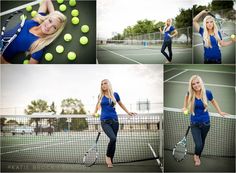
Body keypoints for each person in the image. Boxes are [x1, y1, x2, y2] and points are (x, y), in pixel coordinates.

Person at [0, 0, 67, 64]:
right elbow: (46, 1)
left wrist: (3, 62)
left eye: (54, 27)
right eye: (50, 21)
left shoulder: (39, 45)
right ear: (46, 18)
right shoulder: (36, 21)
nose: (49, 26)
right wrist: (54, 16)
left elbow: (30, 70)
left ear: (54, 32)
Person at [182, 75, 228, 166]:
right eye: (193, 84)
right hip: (194, 124)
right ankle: (196, 156)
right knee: (198, 144)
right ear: (191, 86)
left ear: (201, 82)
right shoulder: (189, 93)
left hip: (206, 124)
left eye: (197, 82)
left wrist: (220, 111)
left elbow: (213, 101)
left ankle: (198, 156)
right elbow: (185, 104)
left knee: (202, 142)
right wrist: (184, 109)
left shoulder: (208, 93)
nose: (196, 85)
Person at [93, 79, 136, 168]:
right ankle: (108, 156)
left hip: (115, 121)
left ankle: (111, 160)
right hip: (104, 121)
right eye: (102, 84)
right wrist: (94, 112)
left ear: (109, 84)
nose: (103, 85)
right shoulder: (100, 96)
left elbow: (121, 104)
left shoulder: (115, 94)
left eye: (105, 83)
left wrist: (128, 112)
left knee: (114, 140)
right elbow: (97, 106)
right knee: (112, 138)